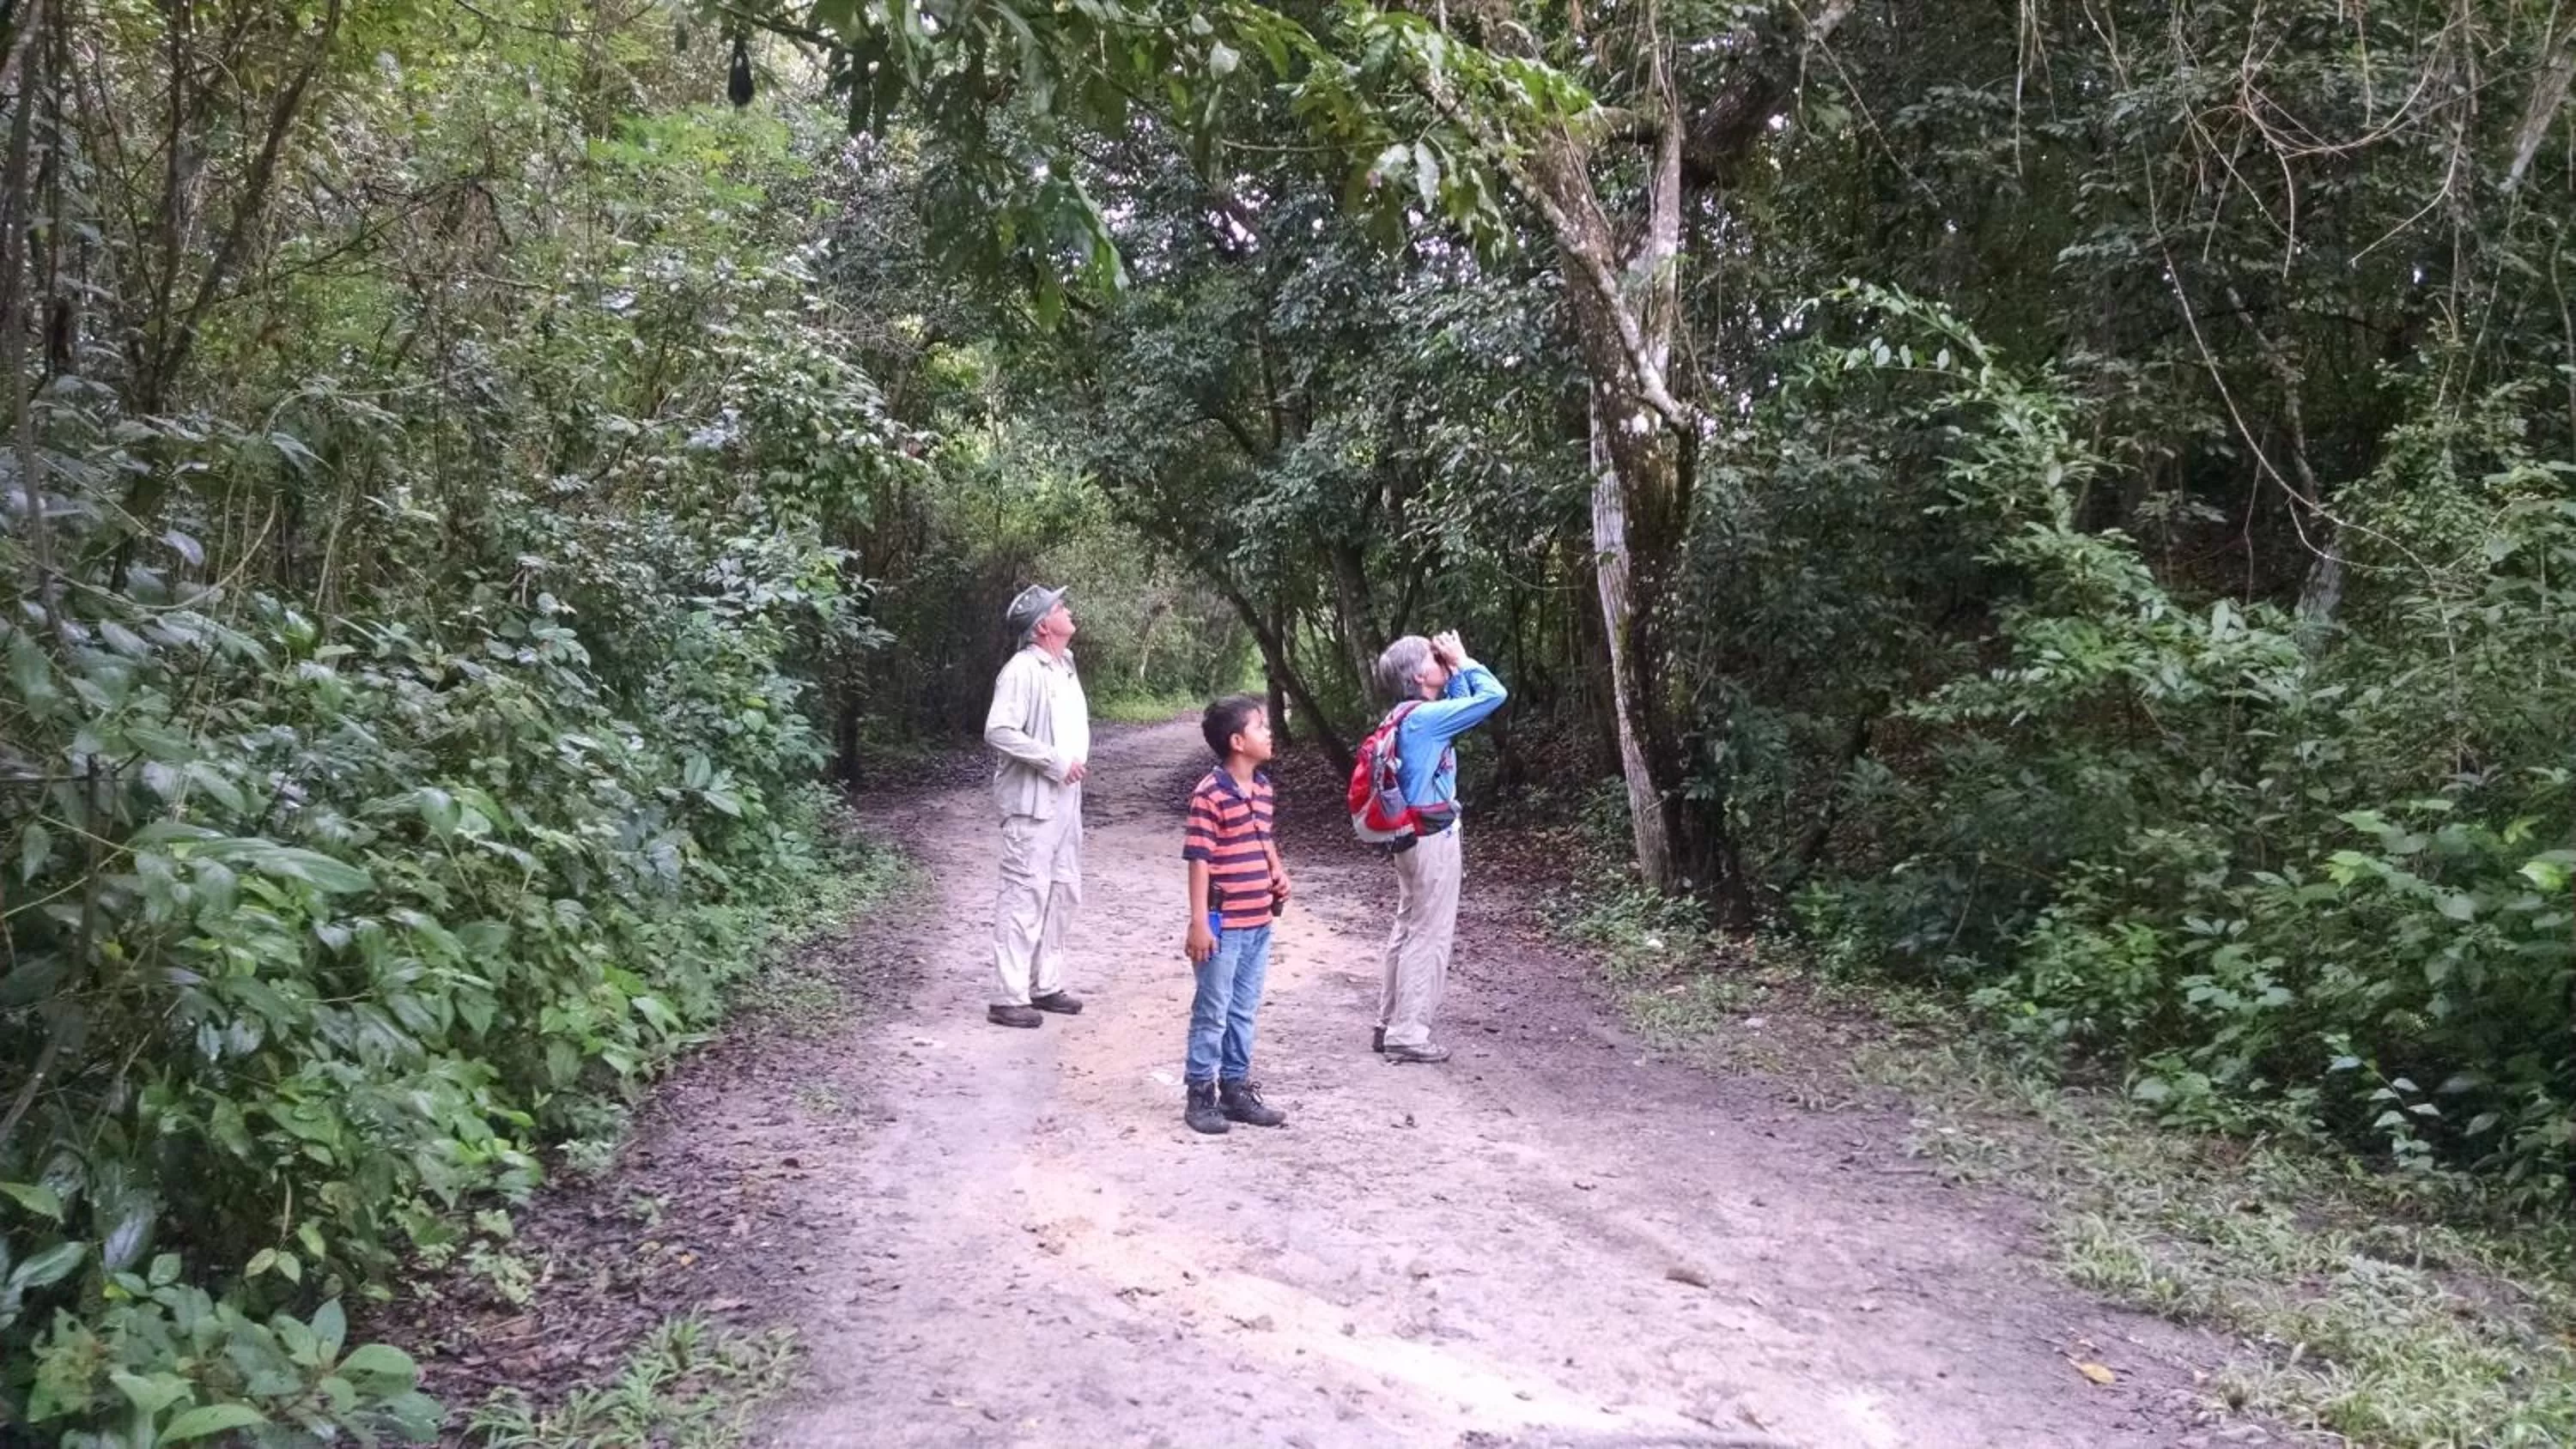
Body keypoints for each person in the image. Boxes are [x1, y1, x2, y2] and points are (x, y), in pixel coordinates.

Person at [1370, 629, 1507, 1064]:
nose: (1442, 659)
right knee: (1429, 933)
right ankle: (1409, 1033)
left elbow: (1465, 705)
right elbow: (1493, 696)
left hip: (1410, 838)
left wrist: (1454, 672)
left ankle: (1389, 1022)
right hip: (1432, 840)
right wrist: (1464, 660)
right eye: (1434, 657)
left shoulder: (1407, 715)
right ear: (1418, 675)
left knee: (1409, 926)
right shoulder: (1426, 720)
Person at [1179, 695, 1292, 1135]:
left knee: (1244, 1008)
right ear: (1237, 742)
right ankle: (1200, 1093)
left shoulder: (1262, 788)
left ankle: (1235, 1088)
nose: (1269, 732)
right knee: (1213, 1009)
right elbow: (1199, 859)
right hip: (1222, 925)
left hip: (1258, 921)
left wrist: (1277, 871)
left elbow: (1263, 836)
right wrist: (1199, 922)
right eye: (1260, 726)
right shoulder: (1209, 793)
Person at [981, 585, 1089, 1028]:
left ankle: (1044, 984)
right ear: (1043, 626)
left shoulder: (1064, 665)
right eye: (1060, 608)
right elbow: (999, 730)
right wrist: (1053, 761)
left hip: (1066, 799)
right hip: (1032, 802)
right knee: (1024, 893)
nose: (1068, 611)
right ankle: (1008, 996)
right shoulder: (1021, 670)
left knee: (1063, 889)